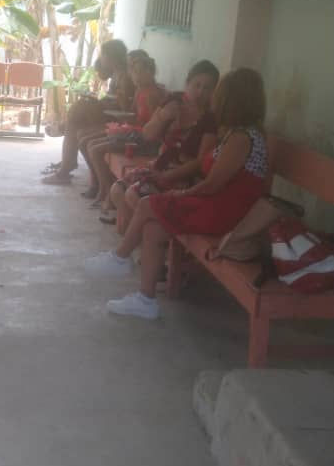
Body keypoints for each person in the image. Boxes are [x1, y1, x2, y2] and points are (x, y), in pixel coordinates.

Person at [85, 67, 269, 320]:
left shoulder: (241, 138)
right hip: (220, 206)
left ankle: (120, 258)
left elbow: (213, 185)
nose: (213, 97)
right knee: (153, 229)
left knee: (149, 204)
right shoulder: (238, 134)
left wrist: (183, 195)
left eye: (219, 93)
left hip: (227, 214)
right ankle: (145, 300)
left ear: (231, 100)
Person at [107, 60, 219, 230]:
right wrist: (163, 116)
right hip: (161, 165)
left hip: (184, 176)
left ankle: (140, 237)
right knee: (117, 190)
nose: (201, 92)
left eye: (207, 88)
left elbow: (201, 162)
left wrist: (170, 175)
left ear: (213, 92)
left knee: (134, 195)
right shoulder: (174, 100)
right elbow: (147, 134)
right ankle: (136, 235)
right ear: (188, 83)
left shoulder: (210, 119)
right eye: (197, 85)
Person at [81, 53, 167, 210]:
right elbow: (131, 114)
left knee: (95, 149)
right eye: (134, 73)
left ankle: (106, 192)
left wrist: (126, 126)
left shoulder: (154, 94)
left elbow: (154, 127)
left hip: (144, 140)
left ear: (150, 73)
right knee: (91, 143)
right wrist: (121, 103)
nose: (136, 77)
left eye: (140, 72)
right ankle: (103, 188)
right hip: (132, 132)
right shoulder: (140, 91)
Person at [42, 39, 133, 185]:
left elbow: (124, 108)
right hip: (109, 114)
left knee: (77, 112)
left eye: (103, 55)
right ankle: (66, 161)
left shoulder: (124, 76)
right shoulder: (117, 74)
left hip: (118, 122)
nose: (101, 58)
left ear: (110, 57)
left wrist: (99, 104)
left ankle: (65, 162)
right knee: (78, 111)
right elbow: (113, 100)